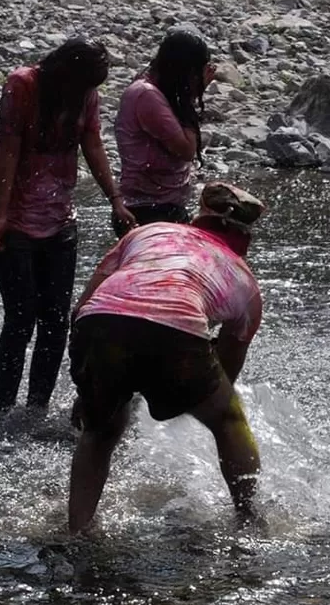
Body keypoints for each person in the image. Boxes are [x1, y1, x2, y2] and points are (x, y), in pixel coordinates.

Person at [67, 182, 266, 533]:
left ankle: (78, 529)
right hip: (177, 330)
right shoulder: (244, 281)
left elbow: (85, 305)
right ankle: (249, 519)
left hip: (99, 324)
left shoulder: (149, 232)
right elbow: (226, 369)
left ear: (197, 218)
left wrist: (88, 386)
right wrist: (190, 390)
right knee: (230, 418)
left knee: (100, 430)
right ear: (245, 238)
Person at [0, 38, 134, 412]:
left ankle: (36, 408)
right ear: (64, 72)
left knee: (55, 321)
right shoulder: (23, 85)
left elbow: (93, 144)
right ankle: (3, 411)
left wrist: (115, 199)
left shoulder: (85, 94)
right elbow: (8, 148)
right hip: (13, 220)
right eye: (82, 84)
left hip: (59, 220)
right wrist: (1, 215)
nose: (85, 93)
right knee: (21, 317)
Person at [112, 26, 214, 237]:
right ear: (184, 70)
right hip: (148, 210)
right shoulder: (146, 94)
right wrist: (191, 95)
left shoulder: (156, 88)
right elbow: (186, 149)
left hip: (158, 206)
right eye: (196, 73)